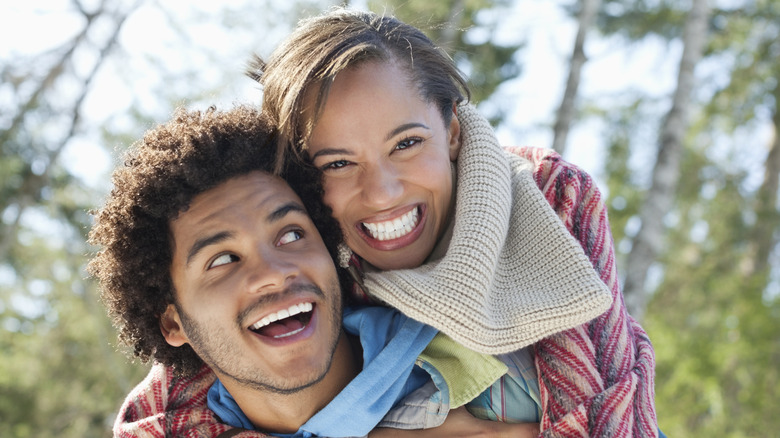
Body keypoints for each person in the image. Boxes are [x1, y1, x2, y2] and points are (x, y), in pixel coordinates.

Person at [117, 7, 660, 437]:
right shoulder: (304, 263)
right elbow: (159, 416)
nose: (382, 193)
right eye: (337, 163)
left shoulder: (543, 198)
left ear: (451, 131)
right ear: (301, 177)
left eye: (406, 143)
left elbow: (607, 395)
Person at [90, 105, 541, 437]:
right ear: (172, 321)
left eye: (290, 235)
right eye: (223, 259)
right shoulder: (164, 423)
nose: (273, 272)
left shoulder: (505, 376)